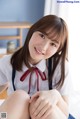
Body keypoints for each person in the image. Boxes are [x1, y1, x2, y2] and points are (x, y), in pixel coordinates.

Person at [0, 15, 74, 119]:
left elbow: (65, 114)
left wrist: (55, 95)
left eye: (53, 44)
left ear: (58, 50)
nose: (43, 47)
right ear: (32, 30)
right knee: (19, 97)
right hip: (12, 115)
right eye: (42, 36)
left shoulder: (60, 66)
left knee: (46, 105)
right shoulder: (8, 62)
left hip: (47, 116)